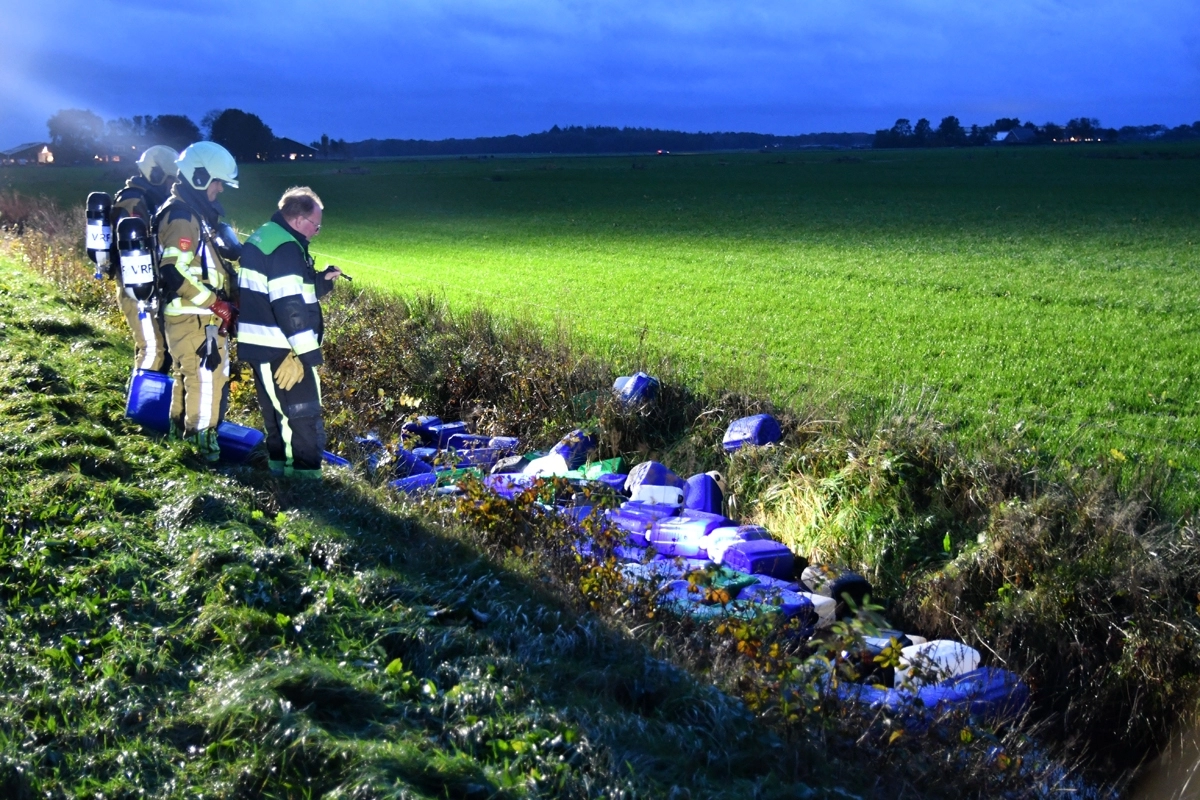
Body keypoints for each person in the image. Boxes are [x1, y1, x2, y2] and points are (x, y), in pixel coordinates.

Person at [237, 187, 343, 478]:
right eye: (315, 225)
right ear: (298, 220)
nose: (316, 232)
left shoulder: (267, 236)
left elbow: (288, 290)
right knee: (302, 417)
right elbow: (289, 307)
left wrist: (322, 281)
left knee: (277, 418)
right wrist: (301, 353)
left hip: (264, 344)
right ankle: (307, 486)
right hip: (281, 348)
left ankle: (280, 478)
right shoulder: (286, 248)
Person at [155, 141, 240, 462]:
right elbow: (173, 273)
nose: (219, 189)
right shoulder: (181, 218)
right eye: (217, 182)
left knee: (187, 376)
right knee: (207, 378)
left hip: (193, 317)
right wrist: (216, 304)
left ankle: (178, 436)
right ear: (200, 177)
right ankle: (201, 450)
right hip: (195, 317)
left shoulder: (190, 213)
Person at [112, 145, 178, 373]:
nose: (173, 186)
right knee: (154, 352)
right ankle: (143, 408)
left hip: (149, 287)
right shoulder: (133, 202)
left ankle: (156, 405)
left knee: (159, 352)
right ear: (156, 174)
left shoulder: (150, 199)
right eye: (171, 179)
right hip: (137, 289)